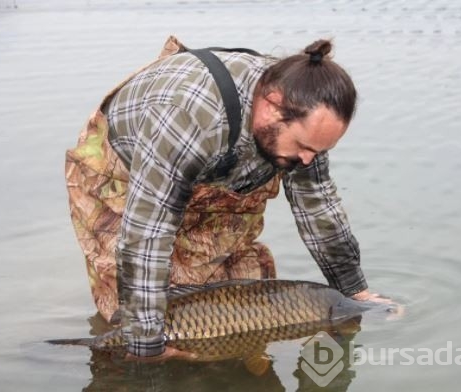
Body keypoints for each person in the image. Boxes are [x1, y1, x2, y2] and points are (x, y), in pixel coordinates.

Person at [65, 36, 389, 362]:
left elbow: (317, 204)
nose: (308, 160)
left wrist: (354, 291)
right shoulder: (188, 116)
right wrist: (146, 343)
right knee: (139, 328)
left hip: (216, 174)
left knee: (236, 315)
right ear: (272, 105)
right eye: (303, 147)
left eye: (317, 151)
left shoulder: (303, 115)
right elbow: (146, 235)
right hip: (126, 176)